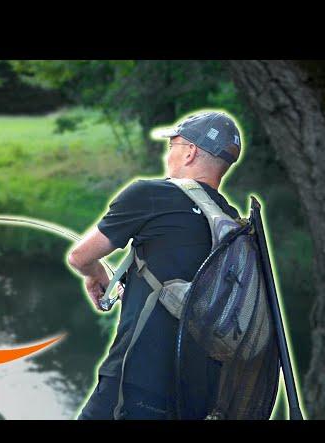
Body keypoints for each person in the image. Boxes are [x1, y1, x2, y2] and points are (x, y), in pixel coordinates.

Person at [67, 110, 243, 420]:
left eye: (173, 143)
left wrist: (96, 276)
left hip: (135, 382)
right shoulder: (231, 223)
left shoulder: (151, 195)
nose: (168, 152)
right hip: (199, 394)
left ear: (190, 152)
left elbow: (80, 256)